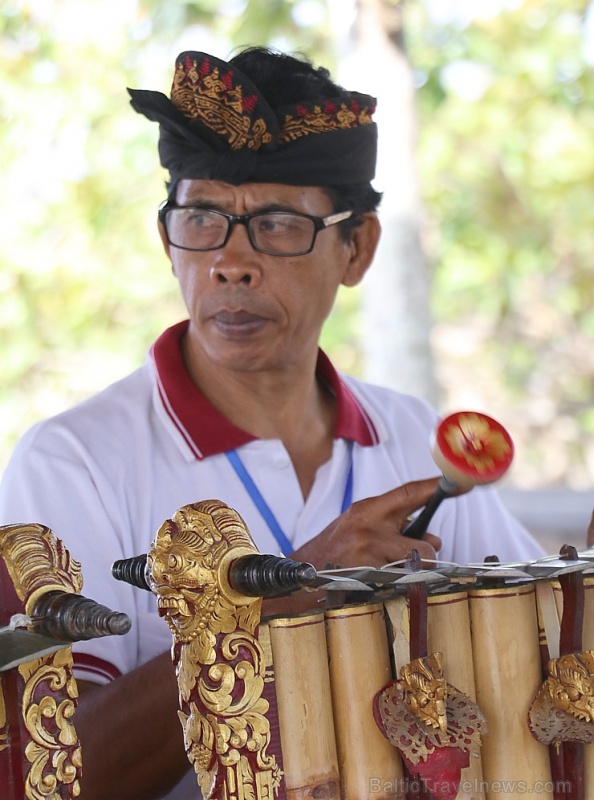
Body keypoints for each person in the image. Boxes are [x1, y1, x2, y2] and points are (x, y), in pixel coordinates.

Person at [0, 47, 545, 800]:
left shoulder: (416, 440)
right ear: (168, 242)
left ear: (357, 248)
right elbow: (48, 774)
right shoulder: (72, 463)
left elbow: (550, 652)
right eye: (201, 219)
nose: (230, 262)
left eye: (278, 225)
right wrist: (284, 594)